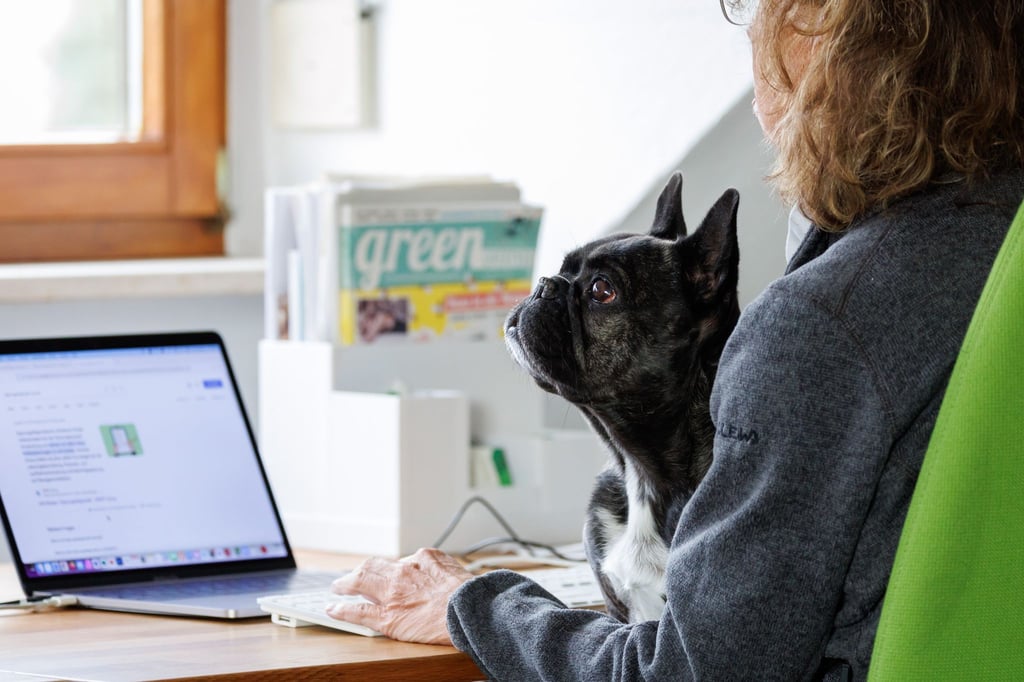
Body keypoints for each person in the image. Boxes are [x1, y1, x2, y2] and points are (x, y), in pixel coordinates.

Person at [327, 1, 1024, 679]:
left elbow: (687, 673)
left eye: (765, 17)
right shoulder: (1000, 249)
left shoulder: (823, 325)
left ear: (825, 57)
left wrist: (473, 603)